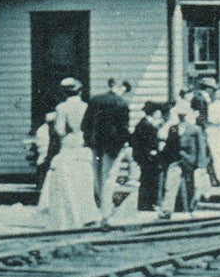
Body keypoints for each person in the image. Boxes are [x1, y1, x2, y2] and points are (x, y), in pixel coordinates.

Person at [38, 78, 98, 229]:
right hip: (82, 144)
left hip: (68, 144)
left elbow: (60, 131)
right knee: (83, 180)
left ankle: (70, 215)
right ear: (81, 91)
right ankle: (87, 215)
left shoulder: (62, 107)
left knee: (67, 180)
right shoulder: (86, 106)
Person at [82, 79, 131, 221]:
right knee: (109, 177)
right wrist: (124, 143)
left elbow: (85, 123)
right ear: (120, 88)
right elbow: (123, 128)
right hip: (112, 147)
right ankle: (106, 210)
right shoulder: (121, 103)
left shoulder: (95, 100)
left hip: (94, 144)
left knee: (95, 176)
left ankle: (95, 208)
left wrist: (89, 140)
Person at [130, 105, 165, 212]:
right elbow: (146, 142)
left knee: (146, 180)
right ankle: (147, 204)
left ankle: (145, 203)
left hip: (144, 157)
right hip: (148, 158)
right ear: (153, 113)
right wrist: (152, 151)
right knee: (149, 181)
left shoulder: (143, 124)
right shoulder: (146, 125)